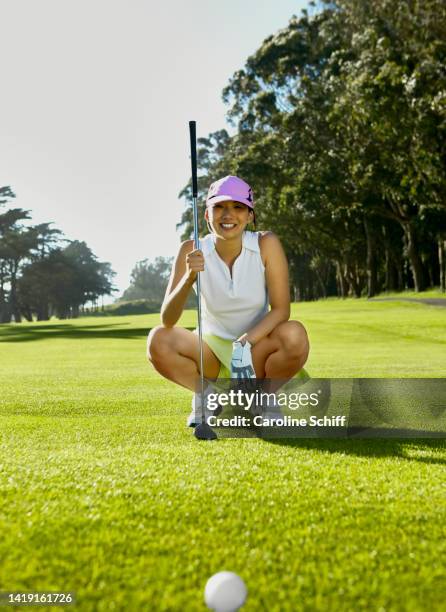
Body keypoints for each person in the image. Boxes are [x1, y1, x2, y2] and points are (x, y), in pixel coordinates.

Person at [147, 175, 310, 425]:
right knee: (158, 339)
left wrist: (244, 344)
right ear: (206, 215)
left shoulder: (266, 244)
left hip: (255, 351)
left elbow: (281, 310)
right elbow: (167, 319)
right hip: (208, 353)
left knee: (295, 334)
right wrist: (189, 277)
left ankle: (262, 398)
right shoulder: (190, 249)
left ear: (250, 215)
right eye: (219, 207)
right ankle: (207, 396)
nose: (228, 215)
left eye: (238, 207)